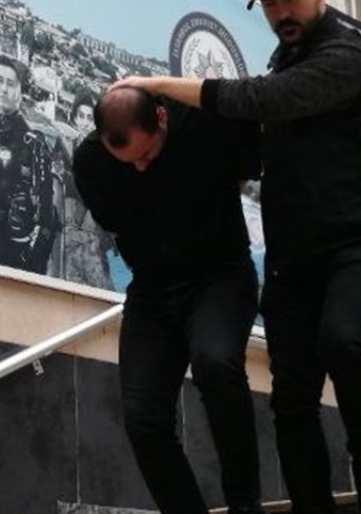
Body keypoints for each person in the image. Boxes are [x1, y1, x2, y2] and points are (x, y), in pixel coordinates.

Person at [112, 0, 361, 514]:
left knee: (344, 341)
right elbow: (245, 154)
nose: (279, 12)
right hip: (296, 259)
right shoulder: (284, 62)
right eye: (268, 3)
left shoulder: (348, 59)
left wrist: (154, 85)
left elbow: (266, 99)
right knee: (292, 398)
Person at [72, 88, 263, 514]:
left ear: (161, 118)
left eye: (147, 154)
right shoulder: (90, 162)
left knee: (215, 363)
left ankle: (245, 506)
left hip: (221, 277)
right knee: (143, 417)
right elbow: (116, 221)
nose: (140, 166)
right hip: (153, 290)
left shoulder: (205, 123)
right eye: (128, 161)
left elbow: (251, 161)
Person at [0, 56, 58, 273]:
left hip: (25, 254)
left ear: (21, 91)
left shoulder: (33, 141)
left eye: (10, 83)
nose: (3, 89)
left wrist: (32, 256)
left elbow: (46, 216)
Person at [58, 92, 113, 289]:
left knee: (95, 273)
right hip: (69, 223)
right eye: (81, 116)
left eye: (90, 118)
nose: (85, 122)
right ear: (74, 117)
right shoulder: (64, 145)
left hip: (92, 227)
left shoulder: (103, 155)